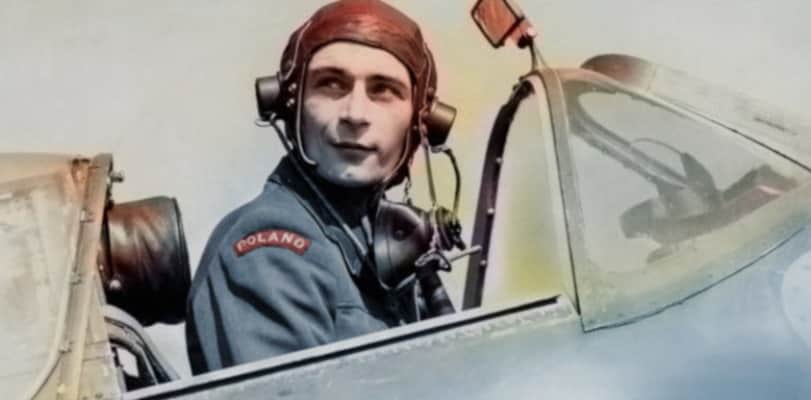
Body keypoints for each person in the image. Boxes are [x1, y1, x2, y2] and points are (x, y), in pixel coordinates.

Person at [186, 0, 449, 374]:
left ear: (421, 121)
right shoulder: (271, 249)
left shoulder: (385, 246)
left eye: (383, 90)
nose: (355, 114)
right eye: (331, 85)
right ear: (291, 104)